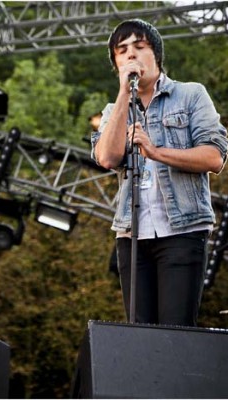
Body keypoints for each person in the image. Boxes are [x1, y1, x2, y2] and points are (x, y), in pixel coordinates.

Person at [91, 19, 228, 327]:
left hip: (182, 231)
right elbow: (106, 157)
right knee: (139, 332)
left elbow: (214, 156)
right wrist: (124, 95)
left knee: (175, 330)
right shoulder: (115, 110)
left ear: (156, 55)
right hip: (132, 234)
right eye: (122, 51)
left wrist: (154, 152)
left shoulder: (191, 95)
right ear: (115, 63)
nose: (131, 56)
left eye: (140, 47)